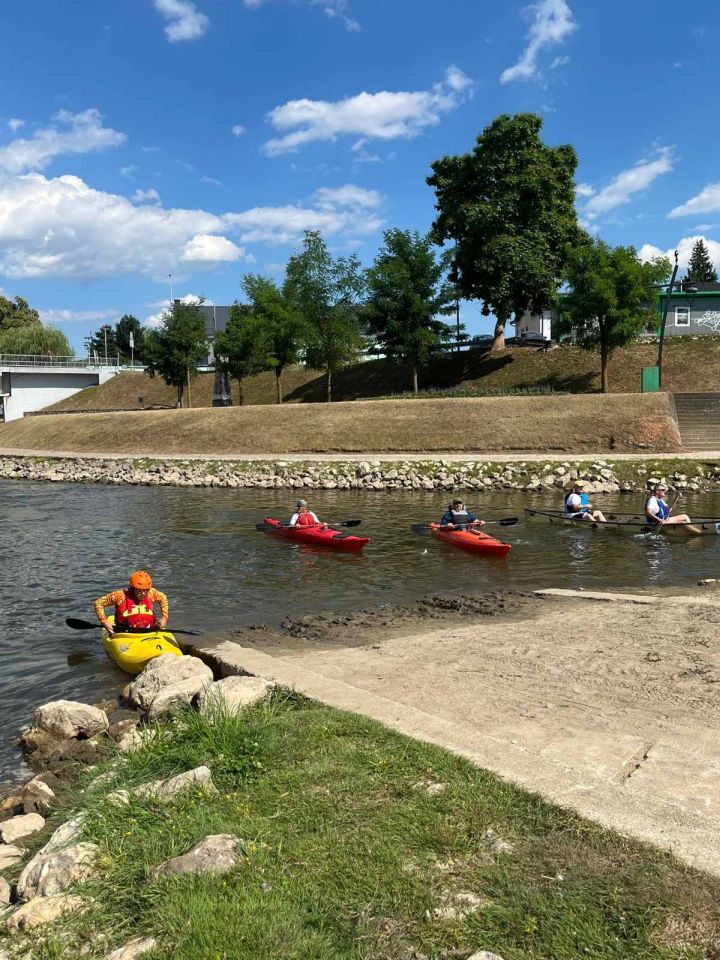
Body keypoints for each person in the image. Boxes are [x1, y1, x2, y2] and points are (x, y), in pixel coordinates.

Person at [94, 570, 169, 637]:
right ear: (132, 587)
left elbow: (163, 597)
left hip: (149, 632)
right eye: (139, 590)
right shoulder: (120, 596)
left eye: (146, 590)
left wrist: (164, 617)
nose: (143, 593)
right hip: (125, 634)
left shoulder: (151, 593)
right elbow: (98, 603)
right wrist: (104, 622)